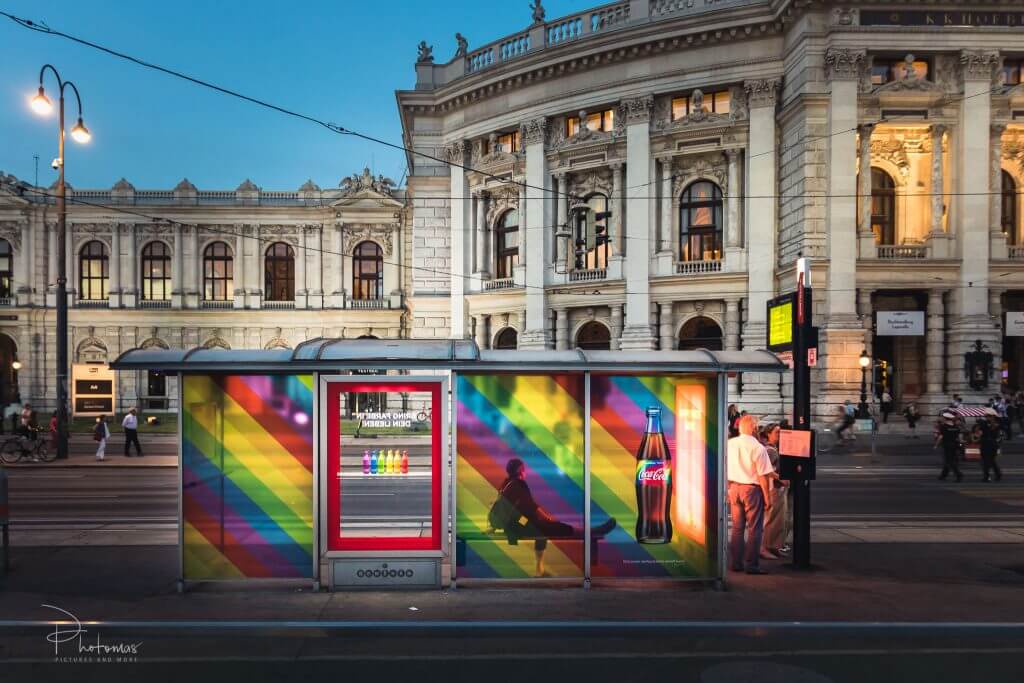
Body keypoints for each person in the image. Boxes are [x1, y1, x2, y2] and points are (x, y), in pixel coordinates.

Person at [494, 458, 616, 577]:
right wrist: (547, 519)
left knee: (546, 527)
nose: (525, 472)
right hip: (518, 526)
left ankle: (539, 570)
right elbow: (531, 506)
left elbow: (520, 509)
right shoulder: (518, 484)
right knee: (554, 526)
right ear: (520, 470)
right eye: (524, 469)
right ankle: (591, 532)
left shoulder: (507, 484)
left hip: (516, 525)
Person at [726, 414, 775, 575]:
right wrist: (768, 498)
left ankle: (736, 564)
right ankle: (751, 565)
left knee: (737, 529)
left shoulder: (730, 444)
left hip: (733, 487)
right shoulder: (758, 448)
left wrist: (727, 488)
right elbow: (763, 475)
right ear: (754, 428)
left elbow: (724, 467)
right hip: (751, 490)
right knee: (755, 529)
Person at [759, 423, 788, 559]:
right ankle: (764, 547)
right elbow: (765, 470)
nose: (779, 435)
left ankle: (774, 546)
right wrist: (780, 478)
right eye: (777, 432)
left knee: (779, 520)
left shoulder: (774, 448)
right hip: (773, 489)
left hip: (777, 488)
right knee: (772, 520)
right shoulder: (770, 450)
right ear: (768, 434)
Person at [934, 411, 963, 482]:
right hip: (955, 445)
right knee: (949, 460)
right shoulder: (956, 427)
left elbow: (941, 437)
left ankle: (958, 474)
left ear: (946, 418)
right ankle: (943, 475)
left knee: (949, 461)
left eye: (943, 418)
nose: (942, 419)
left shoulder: (944, 427)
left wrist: (936, 445)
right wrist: (961, 443)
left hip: (947, 445)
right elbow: (959, 437)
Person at [975, 408, 1003, 483]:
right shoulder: (985, 423)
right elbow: (978, 433)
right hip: (986, 443)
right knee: (990, 461)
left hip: (990, 444)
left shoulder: (996, 423)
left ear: (992, 416)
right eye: (986, 416)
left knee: (987, 461)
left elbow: (994, 429)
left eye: (988, 416)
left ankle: (987, 476)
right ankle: (998, 474)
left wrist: (984, 424)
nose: (987, 417)